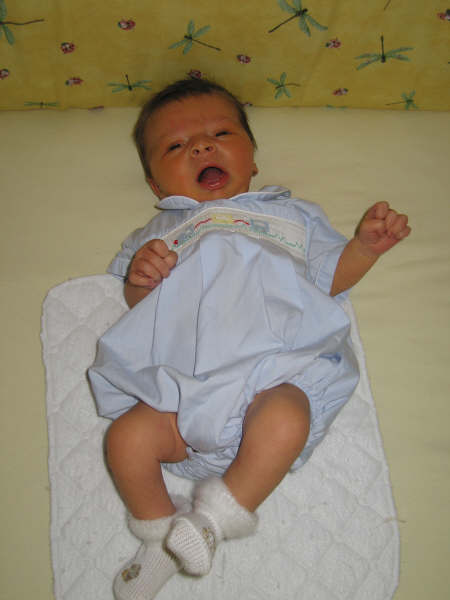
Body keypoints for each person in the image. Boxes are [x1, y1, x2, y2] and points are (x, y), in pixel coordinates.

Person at [88, 78, 410, 600]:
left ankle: (214, 520)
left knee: (287, 416)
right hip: (184, 393)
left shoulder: (293, 216)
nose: (201, 146)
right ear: (155, 185)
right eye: (176, 146)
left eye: (220, 133)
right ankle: (158, 537)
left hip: (273, 371)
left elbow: (330, 278)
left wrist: (365, 249)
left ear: (253, 160)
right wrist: (141, 280)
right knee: (125, 439)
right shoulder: (156, 235)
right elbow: (139, 306)